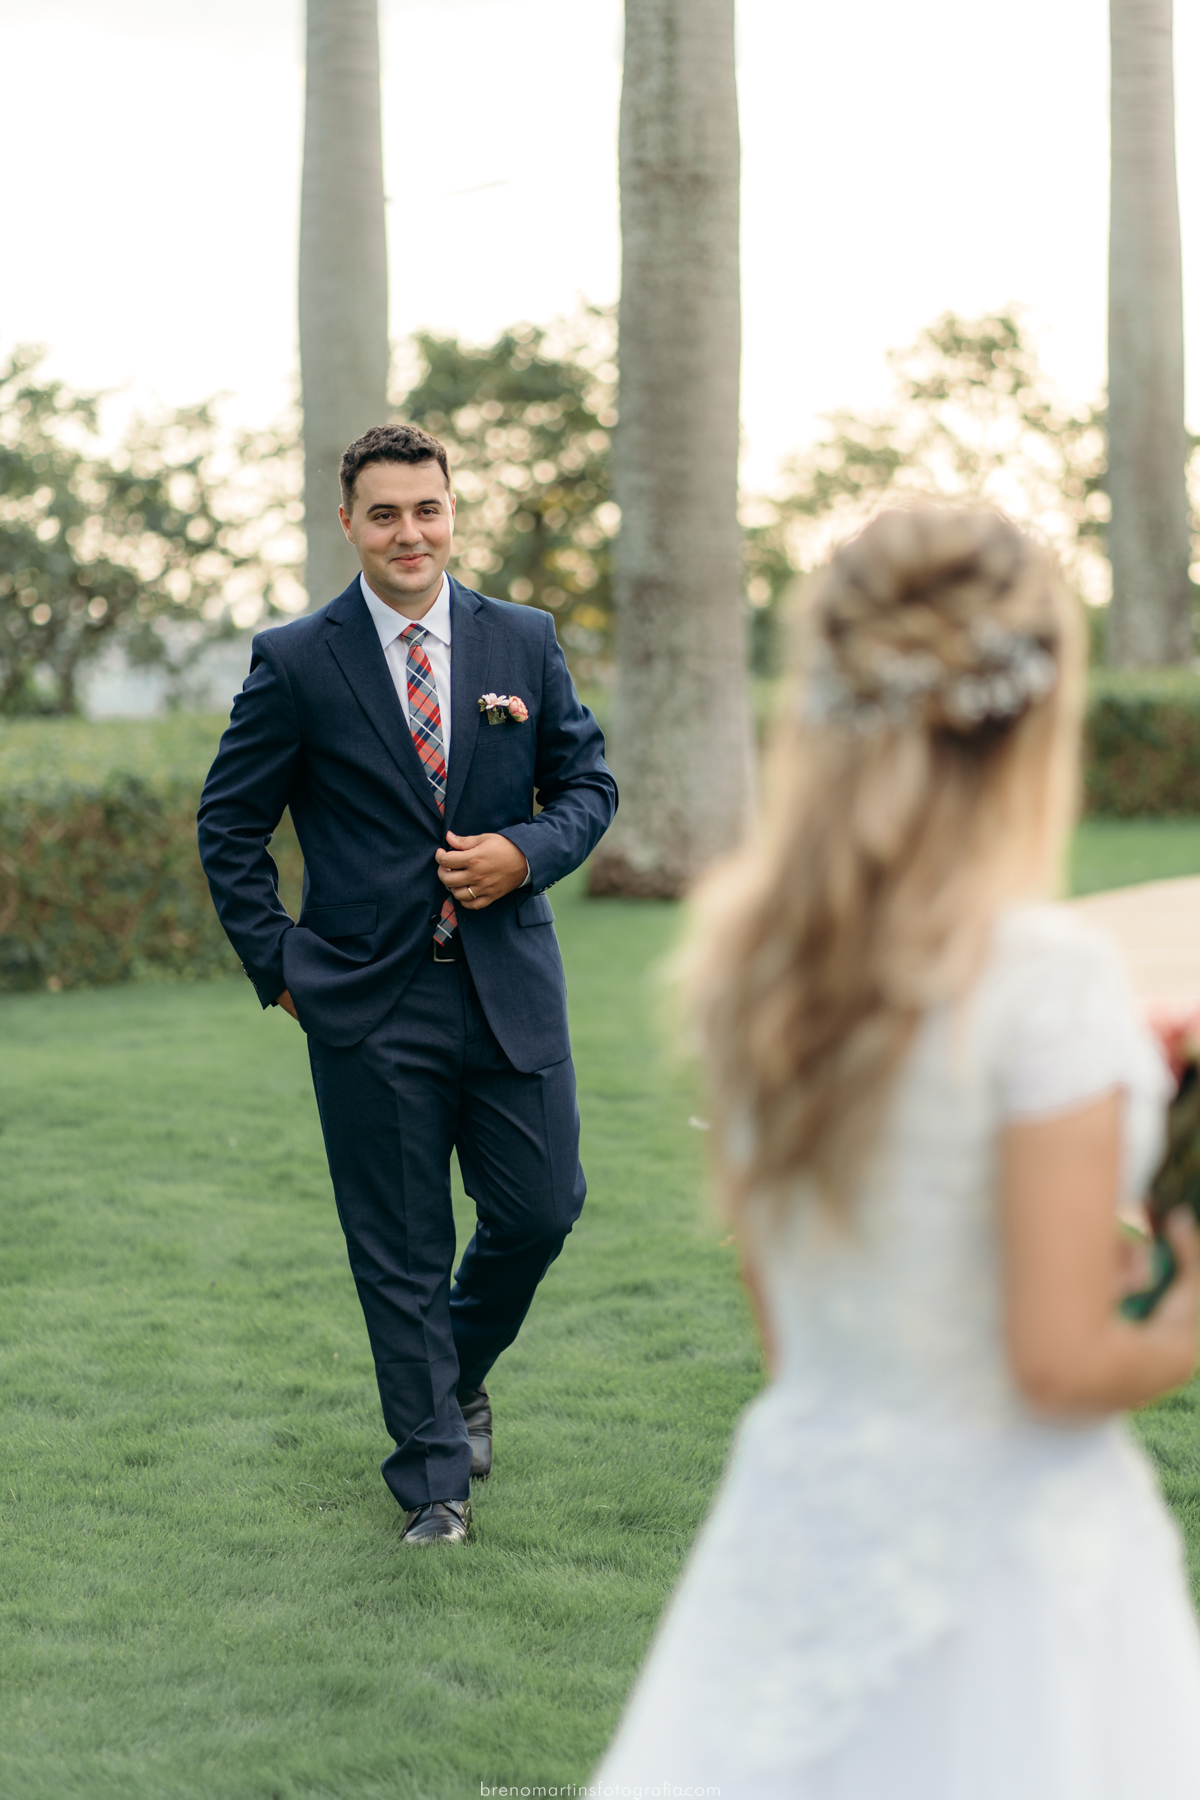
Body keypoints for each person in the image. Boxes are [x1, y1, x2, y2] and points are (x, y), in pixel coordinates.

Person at [597, 505, 1200, 1795]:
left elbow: (805, 1335)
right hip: (1010, 1573)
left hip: (805, 1524)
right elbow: (1057, 1364)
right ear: (1034, 718)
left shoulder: (753, 975)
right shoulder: (1043, 984)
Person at [198, 423, 617, 1546]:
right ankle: (435, 1482)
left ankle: (459, 1370)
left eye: (425, 509)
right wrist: (278, 963)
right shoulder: (294, 660)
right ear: (348, 525)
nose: (408, 532)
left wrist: (525, 853)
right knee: (398, 1248)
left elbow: (587, 782)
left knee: (542, 1209)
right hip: (366, 1002)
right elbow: (230, 823)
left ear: (450, 512)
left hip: (508, 988)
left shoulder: (521, 640)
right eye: (383, 514)